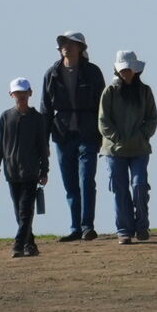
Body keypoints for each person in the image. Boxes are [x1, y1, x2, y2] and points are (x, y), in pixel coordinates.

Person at [44, 30, 107, 240]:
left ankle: (87, 225)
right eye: (63, 43)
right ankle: (75, 228)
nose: (66, 46)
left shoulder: (93, 72)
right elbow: (45, 109)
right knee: (70, 184)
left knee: (86, 180)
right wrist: (43, 143)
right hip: (62, 136)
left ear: (81, 48)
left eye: (71, 43)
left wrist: (103, 136)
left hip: (88, 133)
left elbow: (103, 106)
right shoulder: (51, 74)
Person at [102, 49, 157, 242]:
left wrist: (142, 135)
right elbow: (103, 121)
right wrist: (117, 138)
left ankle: (142, 226)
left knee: (139, 185)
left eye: (129, 69)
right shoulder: (109, 92)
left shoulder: (145, 91)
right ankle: (124, 230)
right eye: (123, 69)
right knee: (119, 189)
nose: (126, 72)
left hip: (139, 149)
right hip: (114, 151)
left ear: (136, 70)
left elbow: (152, 118)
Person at [0, 80, 52, 257]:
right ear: (11, 95)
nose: (21, 96)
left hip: (30, 171)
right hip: (12, 172)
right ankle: (30, 245)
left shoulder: (37, 118)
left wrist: (44, 170)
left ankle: (18, 244)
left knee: (26, 210)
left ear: (30, 93)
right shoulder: (5, 117)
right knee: (19, 211)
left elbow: (43, 146)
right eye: (17, 93)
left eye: (24, 92)